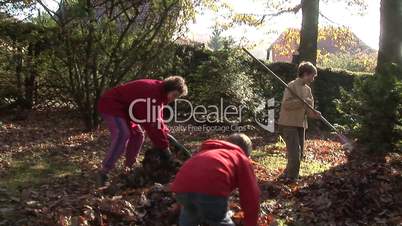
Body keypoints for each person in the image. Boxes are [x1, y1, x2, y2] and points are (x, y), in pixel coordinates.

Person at [97, 76, 188, 185]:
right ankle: (104, 172)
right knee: (123, 134)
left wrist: (165, 133)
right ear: (169, 88)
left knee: (138, 135)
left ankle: (128, 167)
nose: (174, 99)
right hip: (112, 104)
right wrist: (165, 149)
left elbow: (158, 120)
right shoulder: (153, 93)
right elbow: (152, 124)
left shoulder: (160, 94)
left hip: (125, 111)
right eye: (174, 95)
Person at [171, 133, 260, 226]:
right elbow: (251, 195)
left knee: (190, 216)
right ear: (246, 153)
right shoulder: (241, 158)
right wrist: (251, 223)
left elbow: (192, 180)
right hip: (209, 189)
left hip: (181, 187)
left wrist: (180, 204)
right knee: (219, 221)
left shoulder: (206, 152)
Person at [277, 61, 321, 182]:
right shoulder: (291, 86)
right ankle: (291, 178)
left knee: (299, 154)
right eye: (312, 76)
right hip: (288, 123)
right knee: (294, 153)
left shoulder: (308, 90)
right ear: (305, 74)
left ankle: (288, 173)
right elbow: (286, 105)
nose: (313, 79)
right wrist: (301, 102)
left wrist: (315, 114)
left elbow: (309, 111)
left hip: (301, 124)